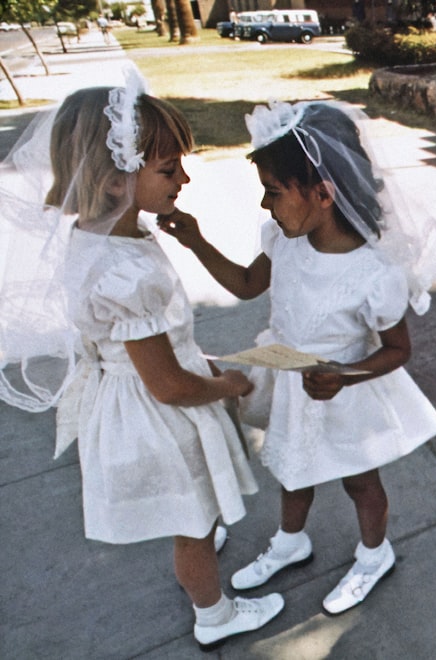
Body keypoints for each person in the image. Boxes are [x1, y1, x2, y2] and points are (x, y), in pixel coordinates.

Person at [0, 72, 284, 650]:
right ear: (110, 181)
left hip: (135, 398)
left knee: (193, 517)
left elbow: (140, 349)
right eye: (167, 169)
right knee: (192, 524)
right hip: (158, 417)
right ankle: (215, 613)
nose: (182, 178)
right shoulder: (125, 273)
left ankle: (198, 546)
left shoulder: (108, 238)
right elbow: (168, 385)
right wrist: (226, 382)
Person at [157, 99, 436, 615]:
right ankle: (292, 540)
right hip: (293, 380)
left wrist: (345, 374)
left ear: (323, 193)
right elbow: (246, 284)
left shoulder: (373, 273)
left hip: (343, 387)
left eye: (273, 191)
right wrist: (196, 242)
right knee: (293, 469)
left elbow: (399, 349)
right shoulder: (286, 243)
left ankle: (374, 554)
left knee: (360, 480)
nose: (267, 206)